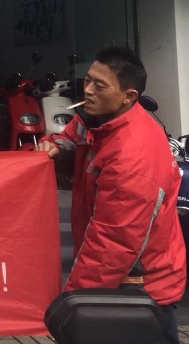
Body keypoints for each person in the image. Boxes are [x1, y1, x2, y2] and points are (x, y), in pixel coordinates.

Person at [36, 46, 186, 344]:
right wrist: (55, 148)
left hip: (137, 288)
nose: (88, 90)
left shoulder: (132, 157)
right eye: (88, 80)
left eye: (100, 85)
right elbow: (71, 139)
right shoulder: (97, 119)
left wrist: (75, 304)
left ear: (128, 96)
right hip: (118, 279)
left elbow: (114, 242)